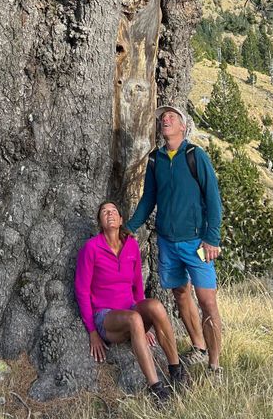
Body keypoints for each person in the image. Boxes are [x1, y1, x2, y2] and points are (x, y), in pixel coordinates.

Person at [125, 104, 223, 379]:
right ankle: (199, 346)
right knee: (180, 294)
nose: (165, 120)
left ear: (183, 126)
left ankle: (215, 366)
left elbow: (213, 198)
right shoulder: (155, 159)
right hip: (167, 242)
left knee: (207, 302)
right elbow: (149, 199)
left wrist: (211, 237)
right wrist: (131, 227)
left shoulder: (195, 156)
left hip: (196, 244)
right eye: (162, 118)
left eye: (172, 117)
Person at [75, 200, 190, 405]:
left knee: (154, 306)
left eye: (113, 211)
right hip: (106, 317)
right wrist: (92, 331)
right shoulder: (91, 248)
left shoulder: (131, 245)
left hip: (131, 310)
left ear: (120, 220)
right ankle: (156, 388)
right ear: (100, 222)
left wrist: (144, 326)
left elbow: (138, 285)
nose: (109, 214)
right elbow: (82, 291)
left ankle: (176, 370)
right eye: (104, 212)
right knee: (134, 318)